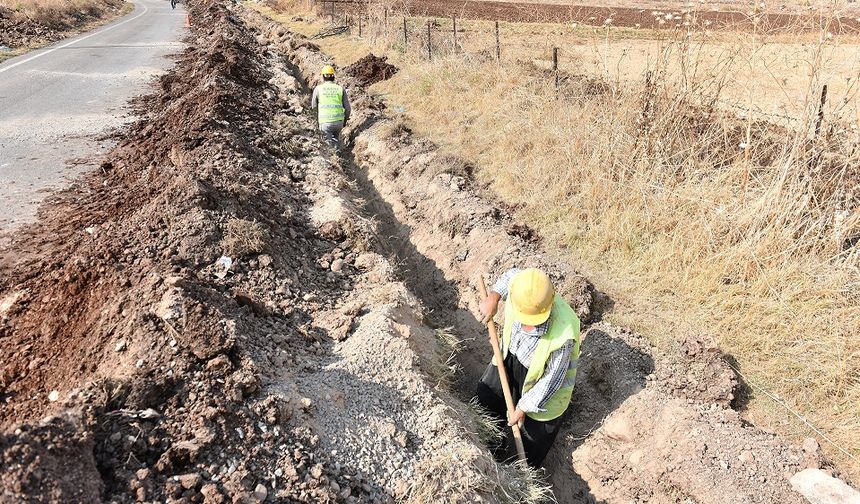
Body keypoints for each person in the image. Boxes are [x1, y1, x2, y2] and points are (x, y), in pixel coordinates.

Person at [476, 267, 581, 467]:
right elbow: (508, 277)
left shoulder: (564, 332)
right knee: (487, 399)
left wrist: (522, 407)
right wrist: (493, 298)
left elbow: (552, 381)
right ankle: (490, 451)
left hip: (546, 389)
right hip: (511, 359)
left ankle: (520, 475)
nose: (527, 326)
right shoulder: (524, 286)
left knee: (532, 443)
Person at [310, 65, 351, 153]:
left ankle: (335, 161)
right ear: (333, 76)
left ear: (323, 76)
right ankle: (339, 156)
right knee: (336, 141)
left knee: (328, 146)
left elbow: (313, 107)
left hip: (325, 123)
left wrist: (316, 119)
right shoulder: (340, 89)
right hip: (339, 122)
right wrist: (344, 121)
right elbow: (348, 109)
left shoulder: (318, 89)